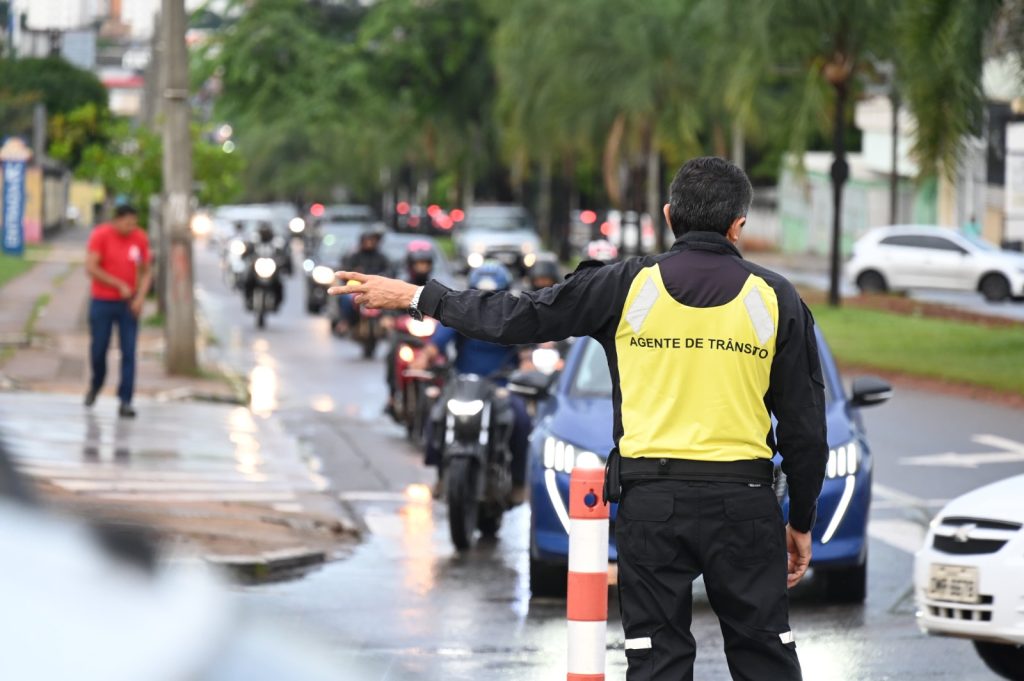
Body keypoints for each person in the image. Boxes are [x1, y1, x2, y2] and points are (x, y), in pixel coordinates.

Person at [329, 157, 827, 681]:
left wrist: (416, 296)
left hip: (652, 508)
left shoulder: (625, 285)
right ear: (738, 225)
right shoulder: (776, 298)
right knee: (764, 660)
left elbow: (518, 316)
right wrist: (800, 521)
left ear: (668, 216)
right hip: (744, 508)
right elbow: (806, 431)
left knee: (657, 664)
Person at [412, 262, 532, 502]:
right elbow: (435, 346)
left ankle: (518, 483)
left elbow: (527, 357)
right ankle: (441, 472)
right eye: (481, 296)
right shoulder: (460, 316)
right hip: (463, 385)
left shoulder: (516, 318)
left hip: (501, 389)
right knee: (436, 415)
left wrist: (528, 370)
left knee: (522, 420)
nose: (487, 303)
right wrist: (422, 361)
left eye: (494, 296)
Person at [84, 205, 153, 418]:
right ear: (116, 220)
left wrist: (140, 298)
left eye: (134, 223)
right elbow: (91, 267)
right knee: (99, 349)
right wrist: (117, 284)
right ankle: (97, 383)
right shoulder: (101, 235)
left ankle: (126, 400)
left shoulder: (139, 238)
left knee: (129, 352)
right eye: (127, 223)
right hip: (102, 301)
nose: (131, 227)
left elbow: (147, 271)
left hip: (128, 304)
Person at [335, 228, 391, 335]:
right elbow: (346, 271)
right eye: (367, 240)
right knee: (345, 298)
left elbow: (389, 271)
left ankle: (386, 321)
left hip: (377, 288)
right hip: (357, 288)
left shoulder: (382, 258)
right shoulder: (354, 256)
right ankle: (345, 321)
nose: (369, 243)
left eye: (372, 240)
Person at [242, 222, 285, 311]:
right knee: (248, 279)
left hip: (270, 267)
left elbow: (282, 253)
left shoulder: (275, 242)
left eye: (266, 233)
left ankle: (278, 301)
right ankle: (247, 298)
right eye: (263, 233)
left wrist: (283, 261)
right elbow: (248, 250)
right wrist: (246, 255)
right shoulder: (255, 241)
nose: (265, 235)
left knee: (278, 282)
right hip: (257, 266)